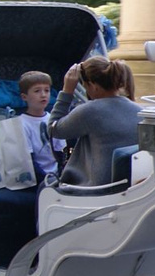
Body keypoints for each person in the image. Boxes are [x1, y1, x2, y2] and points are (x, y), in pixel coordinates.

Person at [48, 57, 138, 187]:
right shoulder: (138, 109)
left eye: (85, 86)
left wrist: (67, 91)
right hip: (129, 184)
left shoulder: (89, 111)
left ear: (94, 86)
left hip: (96, 188)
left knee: (44, 188)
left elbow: (53, 129)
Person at [16, 71, 65, 179]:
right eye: (37, 91)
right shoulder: (21, 124)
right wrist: (46, 180)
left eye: (47, 90)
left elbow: (61, 152)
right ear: (24, 97)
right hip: (37, 177)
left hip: (57, 176)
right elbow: (29, 160)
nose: (43, 95)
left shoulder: (53, 119)